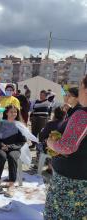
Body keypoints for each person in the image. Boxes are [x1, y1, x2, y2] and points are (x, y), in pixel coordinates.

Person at [44, 75, 87, 219]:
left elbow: (68, 146)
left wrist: (51, 143)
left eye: (80, 86)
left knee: (61, 214)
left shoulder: (82, 114)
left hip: (71, 179)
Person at [0, 105, 27, 197]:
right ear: (6, 113)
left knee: (12, 157)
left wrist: (10, 146)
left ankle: (11, 184)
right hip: (0, 147)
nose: (13, 114)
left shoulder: (19, 125)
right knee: (2, 157)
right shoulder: (1, 123)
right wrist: (2, 145)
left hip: (14, 148)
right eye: (11, 112)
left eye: (15, 112)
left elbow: (22, 141)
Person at [38, 107, 66, 174]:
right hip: (62, 149)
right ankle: (51, 166)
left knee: (40, 145)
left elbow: (41, 137)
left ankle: (50, 166)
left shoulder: (50, 124)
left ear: (55, 114)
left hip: (50, 149)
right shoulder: (67, 124)